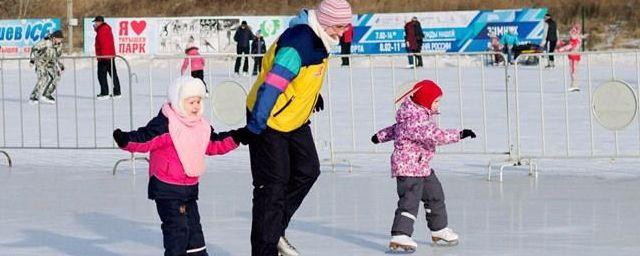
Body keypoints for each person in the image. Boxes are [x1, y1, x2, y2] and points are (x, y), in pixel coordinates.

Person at [244, 0, 352, 255]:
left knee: (308, 170)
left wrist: (312, 95)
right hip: (269, 119)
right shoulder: (298, 43)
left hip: (294, 118)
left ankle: (275, 230)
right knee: (272, 187)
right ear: (324, 21)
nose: (341, 32)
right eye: (338, 26)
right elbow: (272, 85)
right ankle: (265, 249)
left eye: (344, 27)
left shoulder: (320, 38)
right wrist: (256, 125)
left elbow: (302, 76)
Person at [112, 76, 250, 256]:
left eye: (198, 101)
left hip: (189, 189)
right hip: (167, 188)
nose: (196, 106)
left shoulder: (201, 126)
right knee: (178, 232)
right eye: (191, 101)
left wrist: (236, 137)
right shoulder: (166, 125)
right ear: (178, 101)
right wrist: (126, 140)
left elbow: (213, 144)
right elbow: (145, 138)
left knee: (194, 233)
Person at [371, 80, 476, 253]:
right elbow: (435, 135)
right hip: (408, 168)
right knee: (410, 200)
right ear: (425, 101)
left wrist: (379, 136)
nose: (438, 105)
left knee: (435, 194)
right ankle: (400, 234)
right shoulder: (415, 122)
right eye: (435, 101)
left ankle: (439, 229)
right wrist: (460, 134)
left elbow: (395, 129)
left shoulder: (417, 116)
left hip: (421, 166)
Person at [29, 30, 64, 105]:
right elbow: (34, 48)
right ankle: (33, 96)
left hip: (50, 63)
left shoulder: (59, 45)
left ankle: (46, 94)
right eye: (59, 39)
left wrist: (60, 65)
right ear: (54, 38)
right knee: (44, 78)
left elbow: (56, 56)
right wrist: (32, 60)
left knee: (56, 76)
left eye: (61, 39)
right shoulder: (46, 42)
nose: (60, 41)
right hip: (41, 62)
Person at [93, 16, 121, 100]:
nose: (95, 24)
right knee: (113, 74)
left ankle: (104, 93)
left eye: (96, 22)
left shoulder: (102, 30)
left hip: (104, 56)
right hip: (109, 56)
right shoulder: (105, 28)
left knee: (101, 75)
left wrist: (102, 56)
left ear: (100, 22)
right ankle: (117, 92)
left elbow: (103, 44)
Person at [557, 23, 582, 91]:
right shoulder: (575, 39)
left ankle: (575, 85)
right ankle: (573, 84)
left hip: (574, 56)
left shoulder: (576, 39)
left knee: (573, 71)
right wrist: (562, 44)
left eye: (572, 33)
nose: (570, 35)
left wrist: (561, 49)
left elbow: (570, 46)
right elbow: (569, 44)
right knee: (573, 70)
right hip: (572, 56)